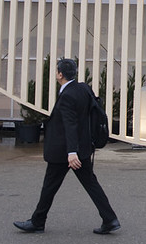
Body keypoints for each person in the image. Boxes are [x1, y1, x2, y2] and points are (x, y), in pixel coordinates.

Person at [14, 58, 120, 234]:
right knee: (90, 184)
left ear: (60, 74)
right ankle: (110, 219)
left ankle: (37, 222)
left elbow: (70, 125)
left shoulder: (67, 96)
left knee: (50, 186)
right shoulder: (83, 88)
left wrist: (72, 152)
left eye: (57, 71)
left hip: (65, 151)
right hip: (83, 148)